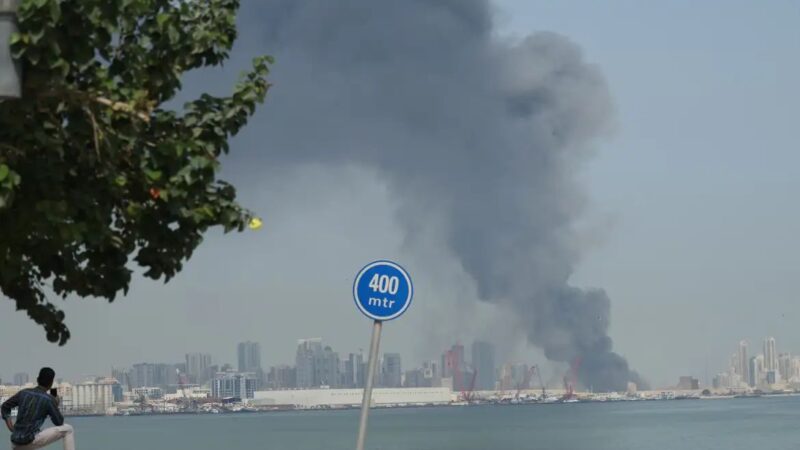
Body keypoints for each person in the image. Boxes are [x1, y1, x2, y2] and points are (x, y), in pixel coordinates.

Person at [1, 368, 75, 450]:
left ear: (37, 379)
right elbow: (59, 422)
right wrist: (55, 404)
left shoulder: (24, 392)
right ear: (51, 383)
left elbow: (5, 406)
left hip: (15, 443)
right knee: (68, 429)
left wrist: (11, 427)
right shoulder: (49, 399)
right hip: (30, 441)